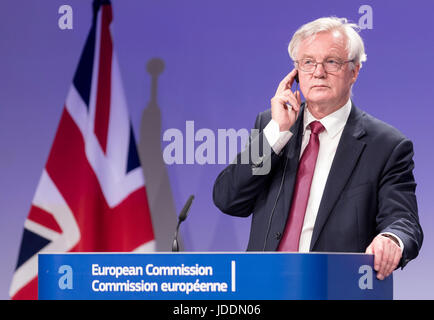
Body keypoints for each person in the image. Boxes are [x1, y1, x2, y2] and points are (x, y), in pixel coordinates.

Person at [213, 17, 423, 280]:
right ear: (296, 72)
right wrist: (275, 136)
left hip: (335, 287)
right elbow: (229, 199)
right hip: (263, 285)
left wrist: (391, 239)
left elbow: (404, 221)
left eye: (332, 62)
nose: (318, 72)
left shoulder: (387, 145)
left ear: (355, 71)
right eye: (308, 62)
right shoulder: (271, 124)